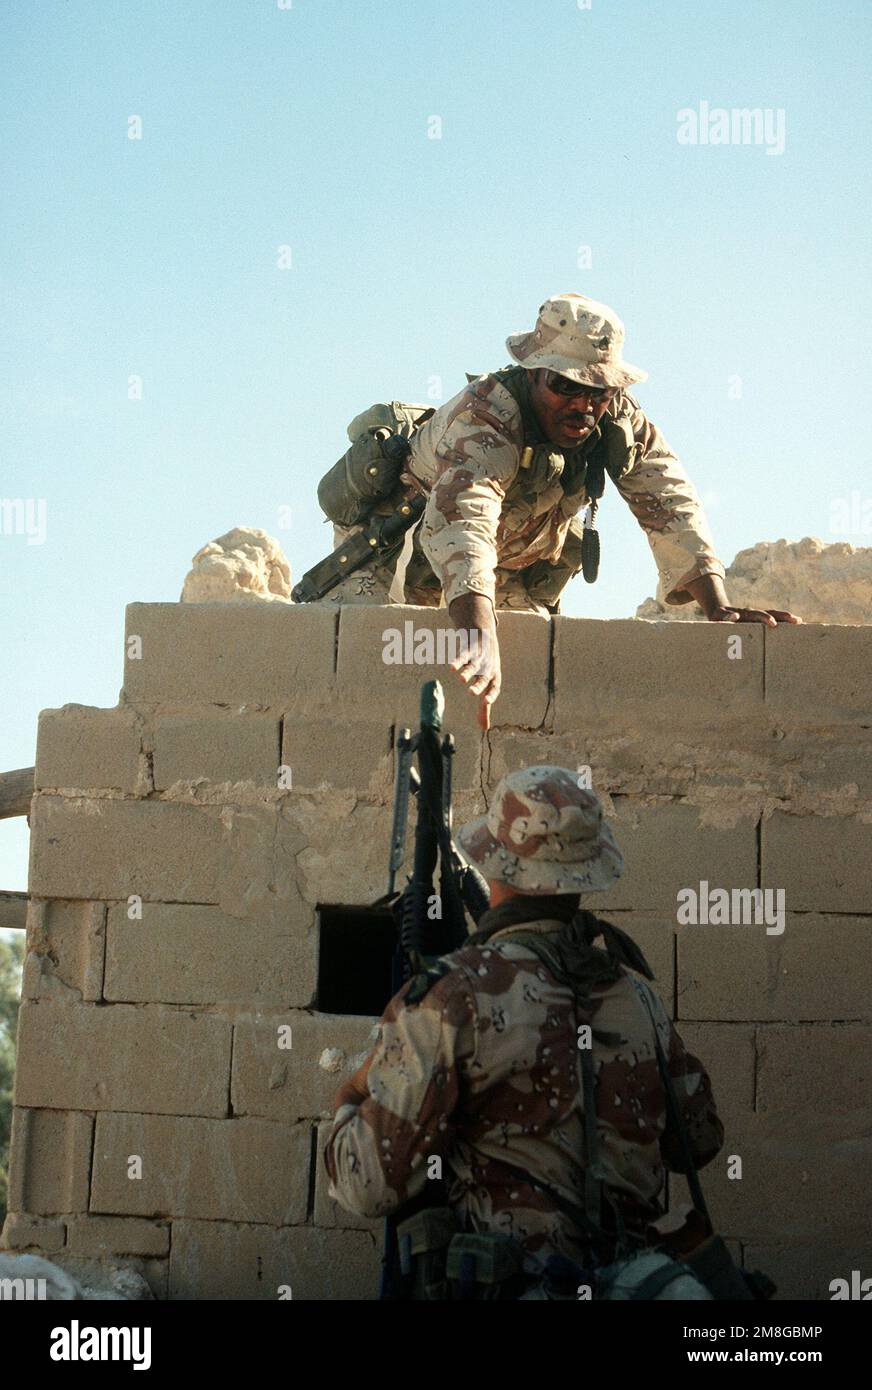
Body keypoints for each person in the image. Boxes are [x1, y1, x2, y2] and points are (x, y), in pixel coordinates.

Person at [322, 765, 724, 1295]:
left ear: (495, 872)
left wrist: (351, 1095)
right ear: (584, 878)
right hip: (635, 1281)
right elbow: (697, 1142)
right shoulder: (638, 996)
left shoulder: (453, 995)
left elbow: (366, 1184)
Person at [314, 293, 800, 725]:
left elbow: (669, 499)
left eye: (599, 391)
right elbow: (464, 518)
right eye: (565, 386)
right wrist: (478, 635)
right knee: (376, 675)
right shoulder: (486, 414)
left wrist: (717, 605)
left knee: (521, 699)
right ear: (533, 373)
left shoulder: (619, 417)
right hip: (402, 547)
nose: (583, 405)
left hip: (510, 558)